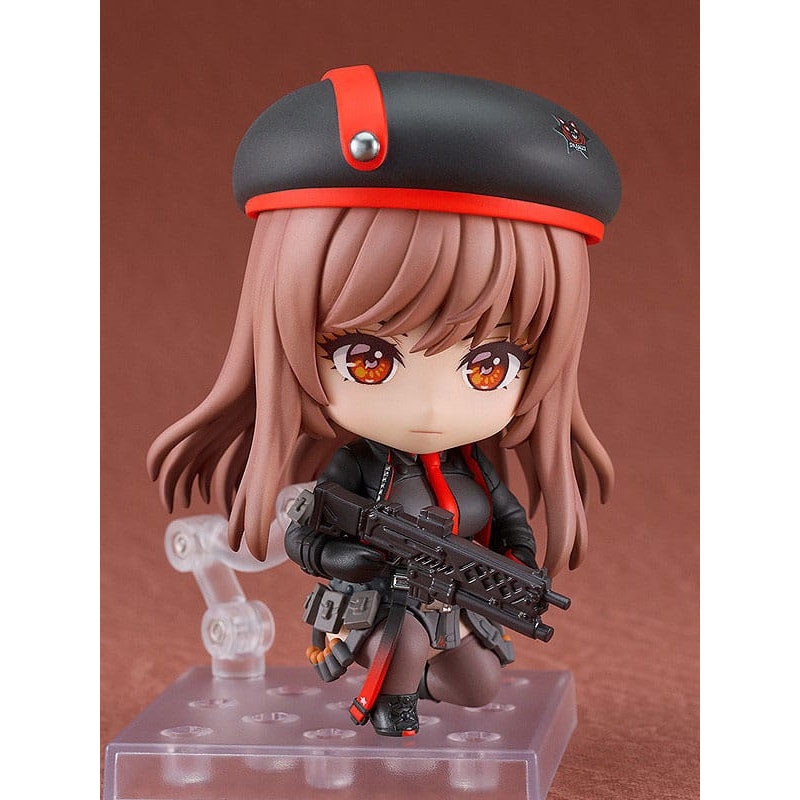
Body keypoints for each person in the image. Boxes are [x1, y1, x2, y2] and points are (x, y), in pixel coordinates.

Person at [147, 66, 619, 736]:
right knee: (404, 642)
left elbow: (510, 520)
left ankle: (409, 682)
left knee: (479, 686)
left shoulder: (471, 469)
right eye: (369, 359)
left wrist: (513, 560)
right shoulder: (360, 472)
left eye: (489, 366)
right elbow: (306, 532)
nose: (431, 407)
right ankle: (389, 705)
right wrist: (341, 559)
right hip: (378, 604)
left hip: (447, 600)